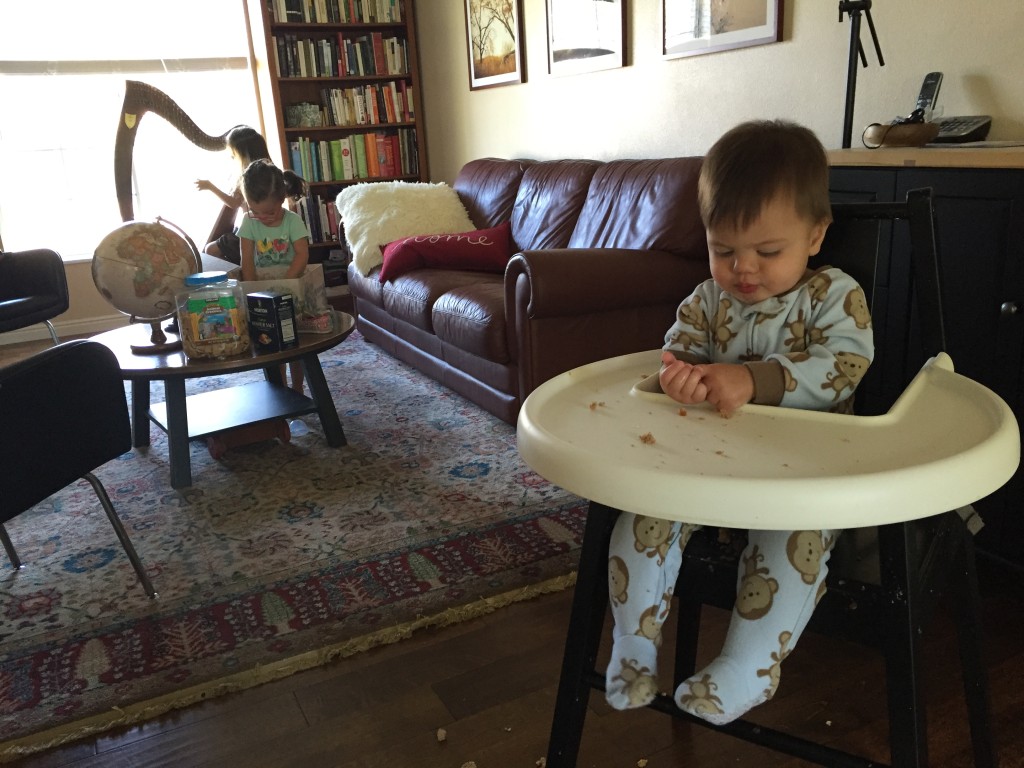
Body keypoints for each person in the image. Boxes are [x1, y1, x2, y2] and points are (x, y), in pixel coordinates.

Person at [604, 119, 875, 725]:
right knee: (640, 517)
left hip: (803, 478)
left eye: (766, 251)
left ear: (816, 236)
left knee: (794, 550)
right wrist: (680, 374)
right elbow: (678, 351)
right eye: (723, 250)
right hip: (708, 468)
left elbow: (846, 364)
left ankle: (748, 670)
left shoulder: (833, 294)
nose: (742, 268)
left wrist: (754, 380)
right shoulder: (706, 301)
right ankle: (634, 646)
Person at [238, 158, 310, 393]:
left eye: (269, 211)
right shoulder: (248, 223)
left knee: (293, 346)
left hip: (291, 292)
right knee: (270, 346)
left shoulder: (293, 221)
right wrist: (252, 291)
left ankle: (297, 388)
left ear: (282, 199)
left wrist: (285, 283)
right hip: (263, 294)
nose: (263, 217)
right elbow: (246, 259)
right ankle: (279, 390)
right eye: (255, 211)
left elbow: (301, 255)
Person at [195, 125, 271, 263]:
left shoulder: (247, 177)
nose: (232, 159)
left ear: (243, 155)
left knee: (210, 250)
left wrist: (210, 186)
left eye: (233, 155)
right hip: (265, 230)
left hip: (250, 232)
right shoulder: (269, 173)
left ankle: (238, 275)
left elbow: (233, 203)